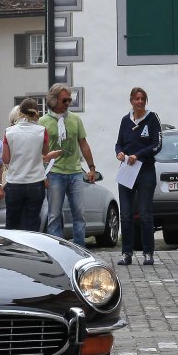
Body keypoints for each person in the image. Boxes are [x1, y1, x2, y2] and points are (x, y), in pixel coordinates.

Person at [40, 84, 100, 244]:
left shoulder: (75, 119)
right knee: (54, 215)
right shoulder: (42, 122)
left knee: (79, 214)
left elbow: (83, 144)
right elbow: (38, 150)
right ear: (53, 100)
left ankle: (80, 249)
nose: (68, 103)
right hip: (54, 173)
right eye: (64, 100)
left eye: (69, 100)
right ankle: (57, 249)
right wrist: (41, 173)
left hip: (75, 172)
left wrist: (91, 167)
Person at [113, 87, 163, 266]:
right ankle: (127, 253)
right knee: (126, 214)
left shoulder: (152, 118)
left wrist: (139, 155)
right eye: (137, 99)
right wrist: (119, 153)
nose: (140, 102)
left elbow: (157, 144)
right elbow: (119, 143)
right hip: (127, 171)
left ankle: (148, 253)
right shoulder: (125, 120)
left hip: (145, 171)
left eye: (143, 99)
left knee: (145, 213)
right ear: (131, 101)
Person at [3, 98, 56, 231]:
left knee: (12, 223)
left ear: (20, 112)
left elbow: (6, 159)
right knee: (32, 223)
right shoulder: (42, 131)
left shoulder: (9, 132)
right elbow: (45, 152)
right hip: (35, 182)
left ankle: (12, 244)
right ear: (36, 113)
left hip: (14, 182)